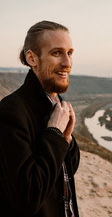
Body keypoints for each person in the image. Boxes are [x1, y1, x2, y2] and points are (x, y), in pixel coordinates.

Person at [0, 21, 80, 217]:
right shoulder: (11, 111)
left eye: (69, 53)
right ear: (32, 58)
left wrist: (66, 140)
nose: (67, 63)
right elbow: (27, 198)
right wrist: (53, 135)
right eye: (56, 53)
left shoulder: (55, 104)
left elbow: (66, 172)